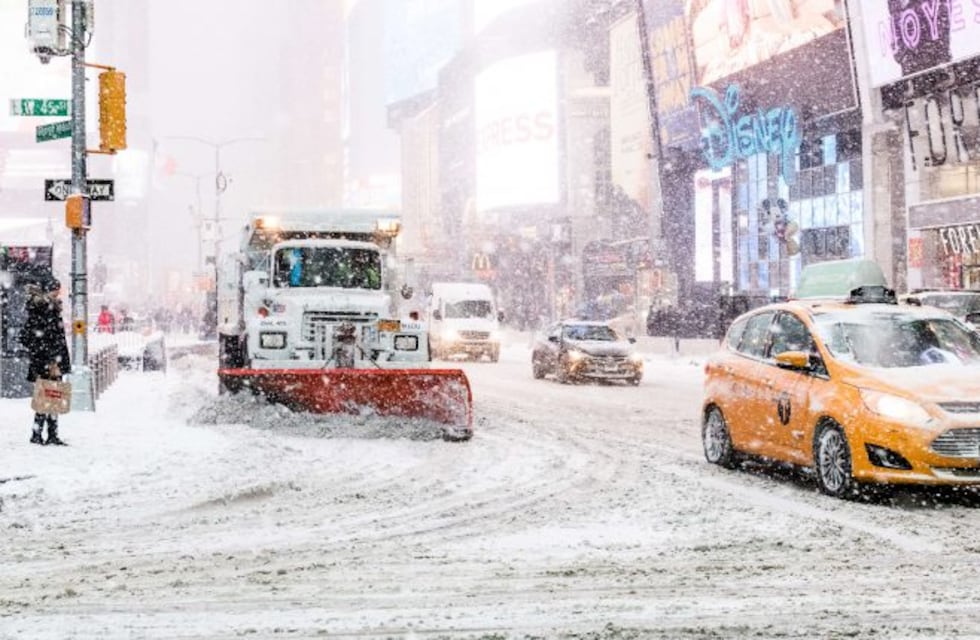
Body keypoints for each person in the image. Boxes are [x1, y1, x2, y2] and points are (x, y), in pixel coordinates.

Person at [22, 277, 71, 446]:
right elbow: (46, 338)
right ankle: (42, 434)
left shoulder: (45, 308)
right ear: (51, 290)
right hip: (48, 362)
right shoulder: (45, 309)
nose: (59, 292)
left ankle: (47, 434)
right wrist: (51, 361)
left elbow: (29, 337)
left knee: (51, 397)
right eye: (57, 289)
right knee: (48, 397)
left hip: (46, 360)